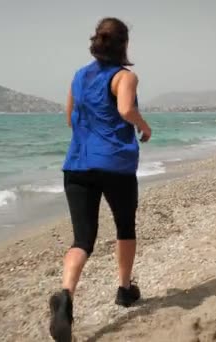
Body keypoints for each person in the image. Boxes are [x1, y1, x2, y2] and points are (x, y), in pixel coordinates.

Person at [48, 17, 152, 342]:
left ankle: (65, 296)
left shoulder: (79, 76)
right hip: (116, 166)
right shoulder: (126, 76)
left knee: (82, 240)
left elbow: (69, 119)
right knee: (124, 226)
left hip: (77, 165)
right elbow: (124, 110)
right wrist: (144, 126)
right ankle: (124, 289)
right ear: (124, 44)